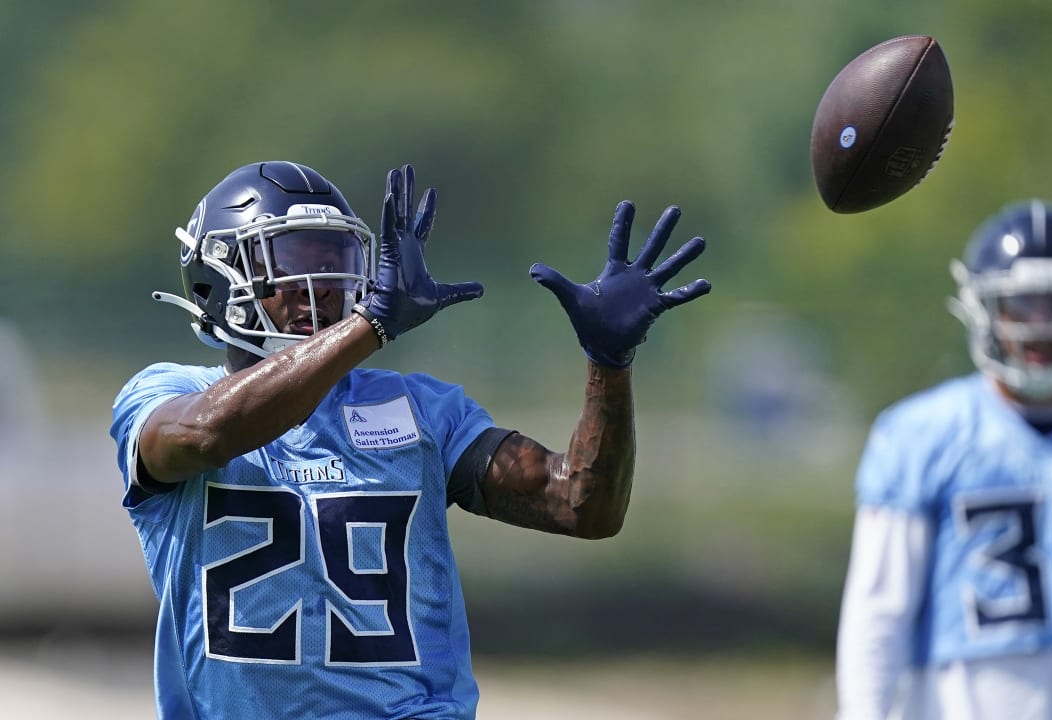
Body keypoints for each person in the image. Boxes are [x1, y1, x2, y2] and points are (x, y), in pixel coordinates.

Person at [109, 160, 711, 719]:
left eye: (333, 258)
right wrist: (370, 324)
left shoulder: (419, 411)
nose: (317, 285)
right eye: (289, 261)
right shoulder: (165, 395)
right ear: (219, 275)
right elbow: (210, 433)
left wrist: (609, 363)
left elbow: (582, 504)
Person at [834, 199, 1052, 720]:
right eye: (1021, 306)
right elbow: (878, 616)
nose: (1041, 326)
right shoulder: (919, 436)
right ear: (984, 311)